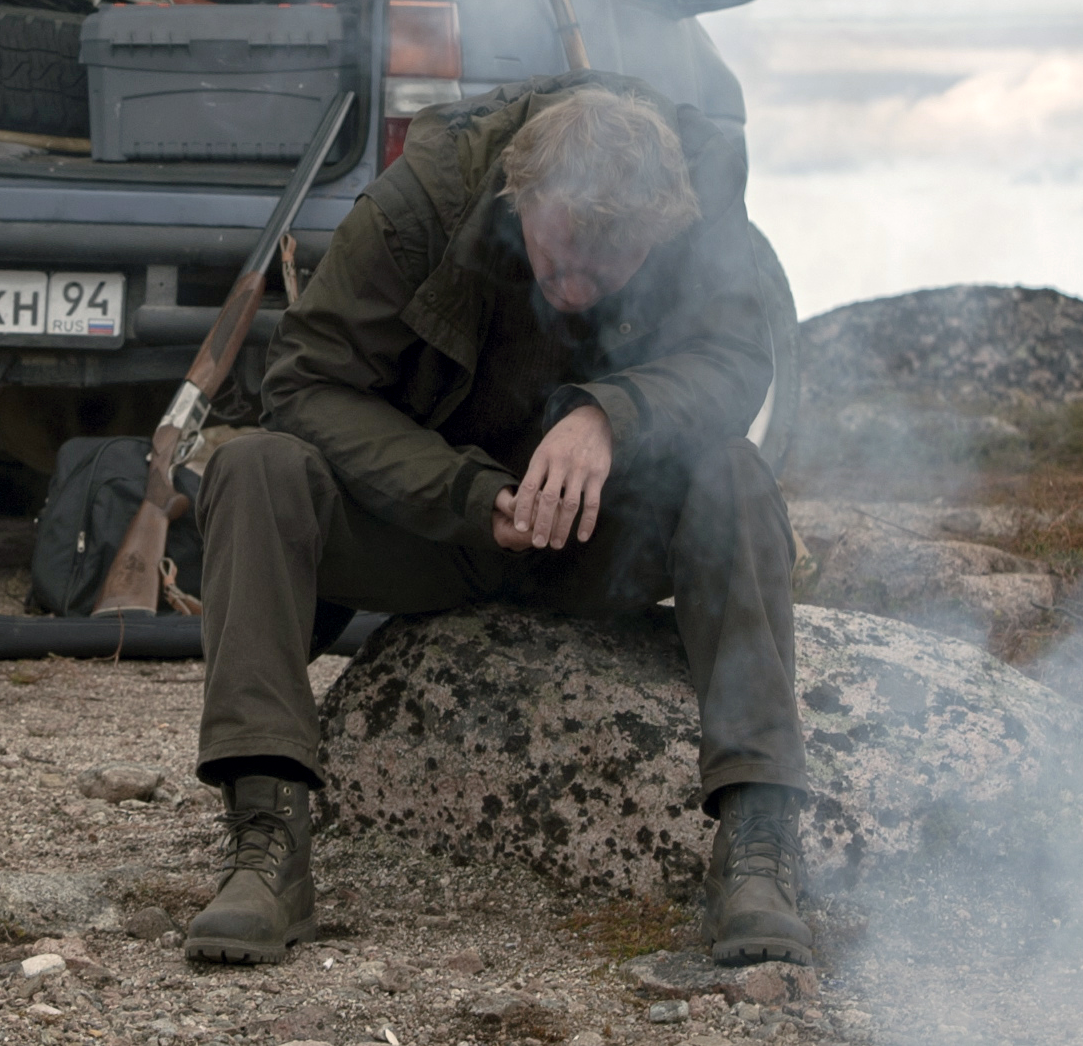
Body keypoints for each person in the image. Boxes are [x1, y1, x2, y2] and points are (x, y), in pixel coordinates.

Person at [182, 73, 808, 967]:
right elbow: (308, 381)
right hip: (434, 530)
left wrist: (610, 416)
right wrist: (465, 496)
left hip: (609, 539)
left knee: (735, 476)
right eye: (560, 254)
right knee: (253, 468)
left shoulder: (699, 199)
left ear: (663, 227)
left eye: (610, 263)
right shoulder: (424, 200)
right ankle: (265, 841)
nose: (578, 284)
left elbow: (738, 357)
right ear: (522, 194)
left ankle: (759, 844)